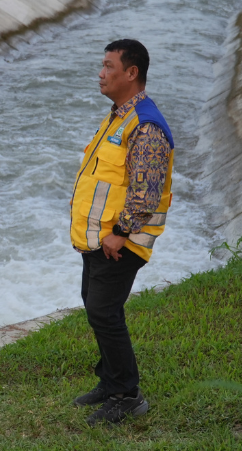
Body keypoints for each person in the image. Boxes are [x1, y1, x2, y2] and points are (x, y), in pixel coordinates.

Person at [69, 39, 174, 426]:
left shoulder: (145, 126)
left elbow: (145, 192)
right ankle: (110, 381)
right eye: (102, 65)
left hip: (119, 241)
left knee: (104, 311)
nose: (101, 73)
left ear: (131, 73)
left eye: (109, 66)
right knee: (96, 306)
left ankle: (127, 395)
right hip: (99, 238)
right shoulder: (119, 115)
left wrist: (120, 232)